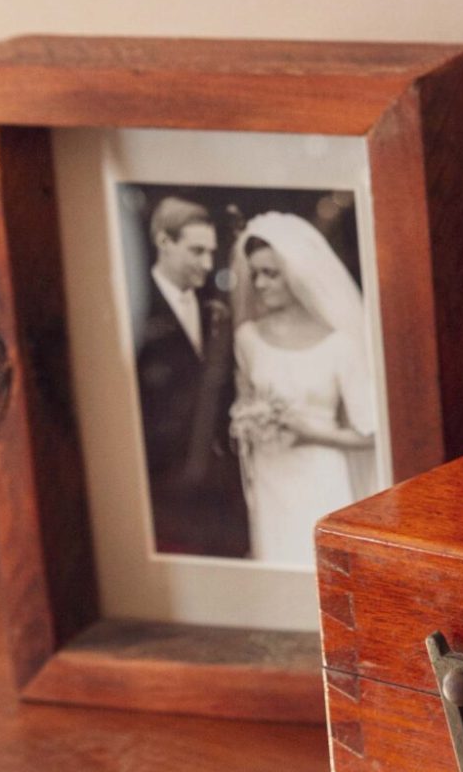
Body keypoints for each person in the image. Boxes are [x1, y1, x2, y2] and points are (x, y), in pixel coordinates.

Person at [228, 210, 378, 567]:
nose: (261, 284)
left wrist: (309, 434)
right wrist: (247, 421)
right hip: (269, 474)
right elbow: (243, 404)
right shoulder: (247, 338)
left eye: (271, 273)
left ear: (296, 274)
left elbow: (372, 435)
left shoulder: (339, 344)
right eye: (255, 274)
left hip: (321, 475)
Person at [133, 195, 251, 558]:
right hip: (166, 488)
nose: (206, 263)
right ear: (164, 243)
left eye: (211, 252)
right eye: (196, 251)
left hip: (218, 482)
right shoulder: (138, 308)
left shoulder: (210, 307)